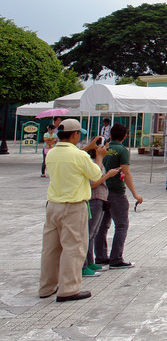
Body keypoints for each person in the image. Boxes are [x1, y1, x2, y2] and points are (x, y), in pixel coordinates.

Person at [39, 118, 103, 302]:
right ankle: (68, 288)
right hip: (73, 206)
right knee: (73, 247)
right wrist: (98, 157)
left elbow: (71, 158)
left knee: (50, 249)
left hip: (53, 205)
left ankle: (46, 287)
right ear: (75, 134)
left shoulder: (51, 153)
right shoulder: (79, 156)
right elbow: (95, 174)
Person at [94, 123, 143, 269]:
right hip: (116, 190)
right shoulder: (122, 150)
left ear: (110, 134)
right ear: (125, 136)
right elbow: (126, 173)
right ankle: (116, 258)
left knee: (102, 226)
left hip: (103, 190)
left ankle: (101, 256)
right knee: (121, 225)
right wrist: (135, 193)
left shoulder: (104, 149)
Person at [83, 144, 121, 277]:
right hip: (94, 198)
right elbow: (92, 183)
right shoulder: (92, 162)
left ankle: (90, 261)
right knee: (88, 232)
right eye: (103, 146)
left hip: (100, 199)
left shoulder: (99, 162)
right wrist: (108, 175)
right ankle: (84, 265)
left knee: (93, 232)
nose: (106, 148)